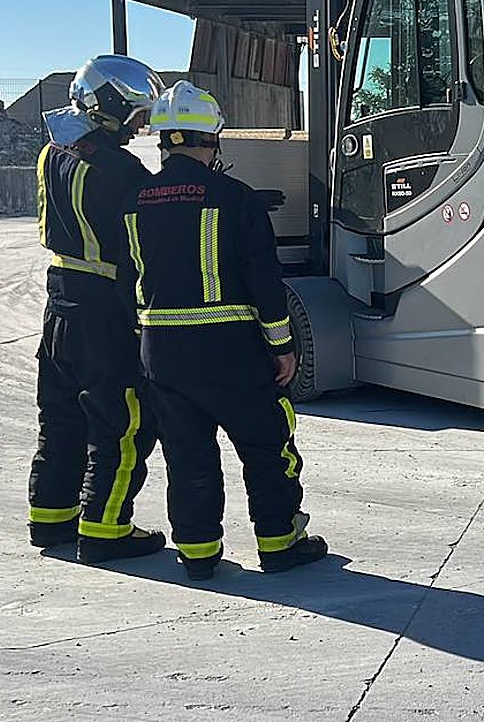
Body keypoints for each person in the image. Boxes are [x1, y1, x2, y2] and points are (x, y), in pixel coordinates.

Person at [117, 80, 327, 580]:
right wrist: (283, 347)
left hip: (162, 353)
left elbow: (128, 279)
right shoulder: (236, 197)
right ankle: (279, 542)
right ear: (211, 138)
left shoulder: (134, 201)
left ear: (164, 140)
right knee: (266, 444)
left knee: (187, 454)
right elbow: (264, 283)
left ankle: (198, 553)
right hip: (231, 351)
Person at [28, 55, 167, 563]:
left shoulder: (51, 152)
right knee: (123, 422)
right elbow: (141, 245)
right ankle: (106, 530)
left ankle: (50, 519)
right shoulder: (119, 169)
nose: (138, 125)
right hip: (104, 306)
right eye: (134, 113)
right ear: (108, 104)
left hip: (59, 300)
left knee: (60, 415)